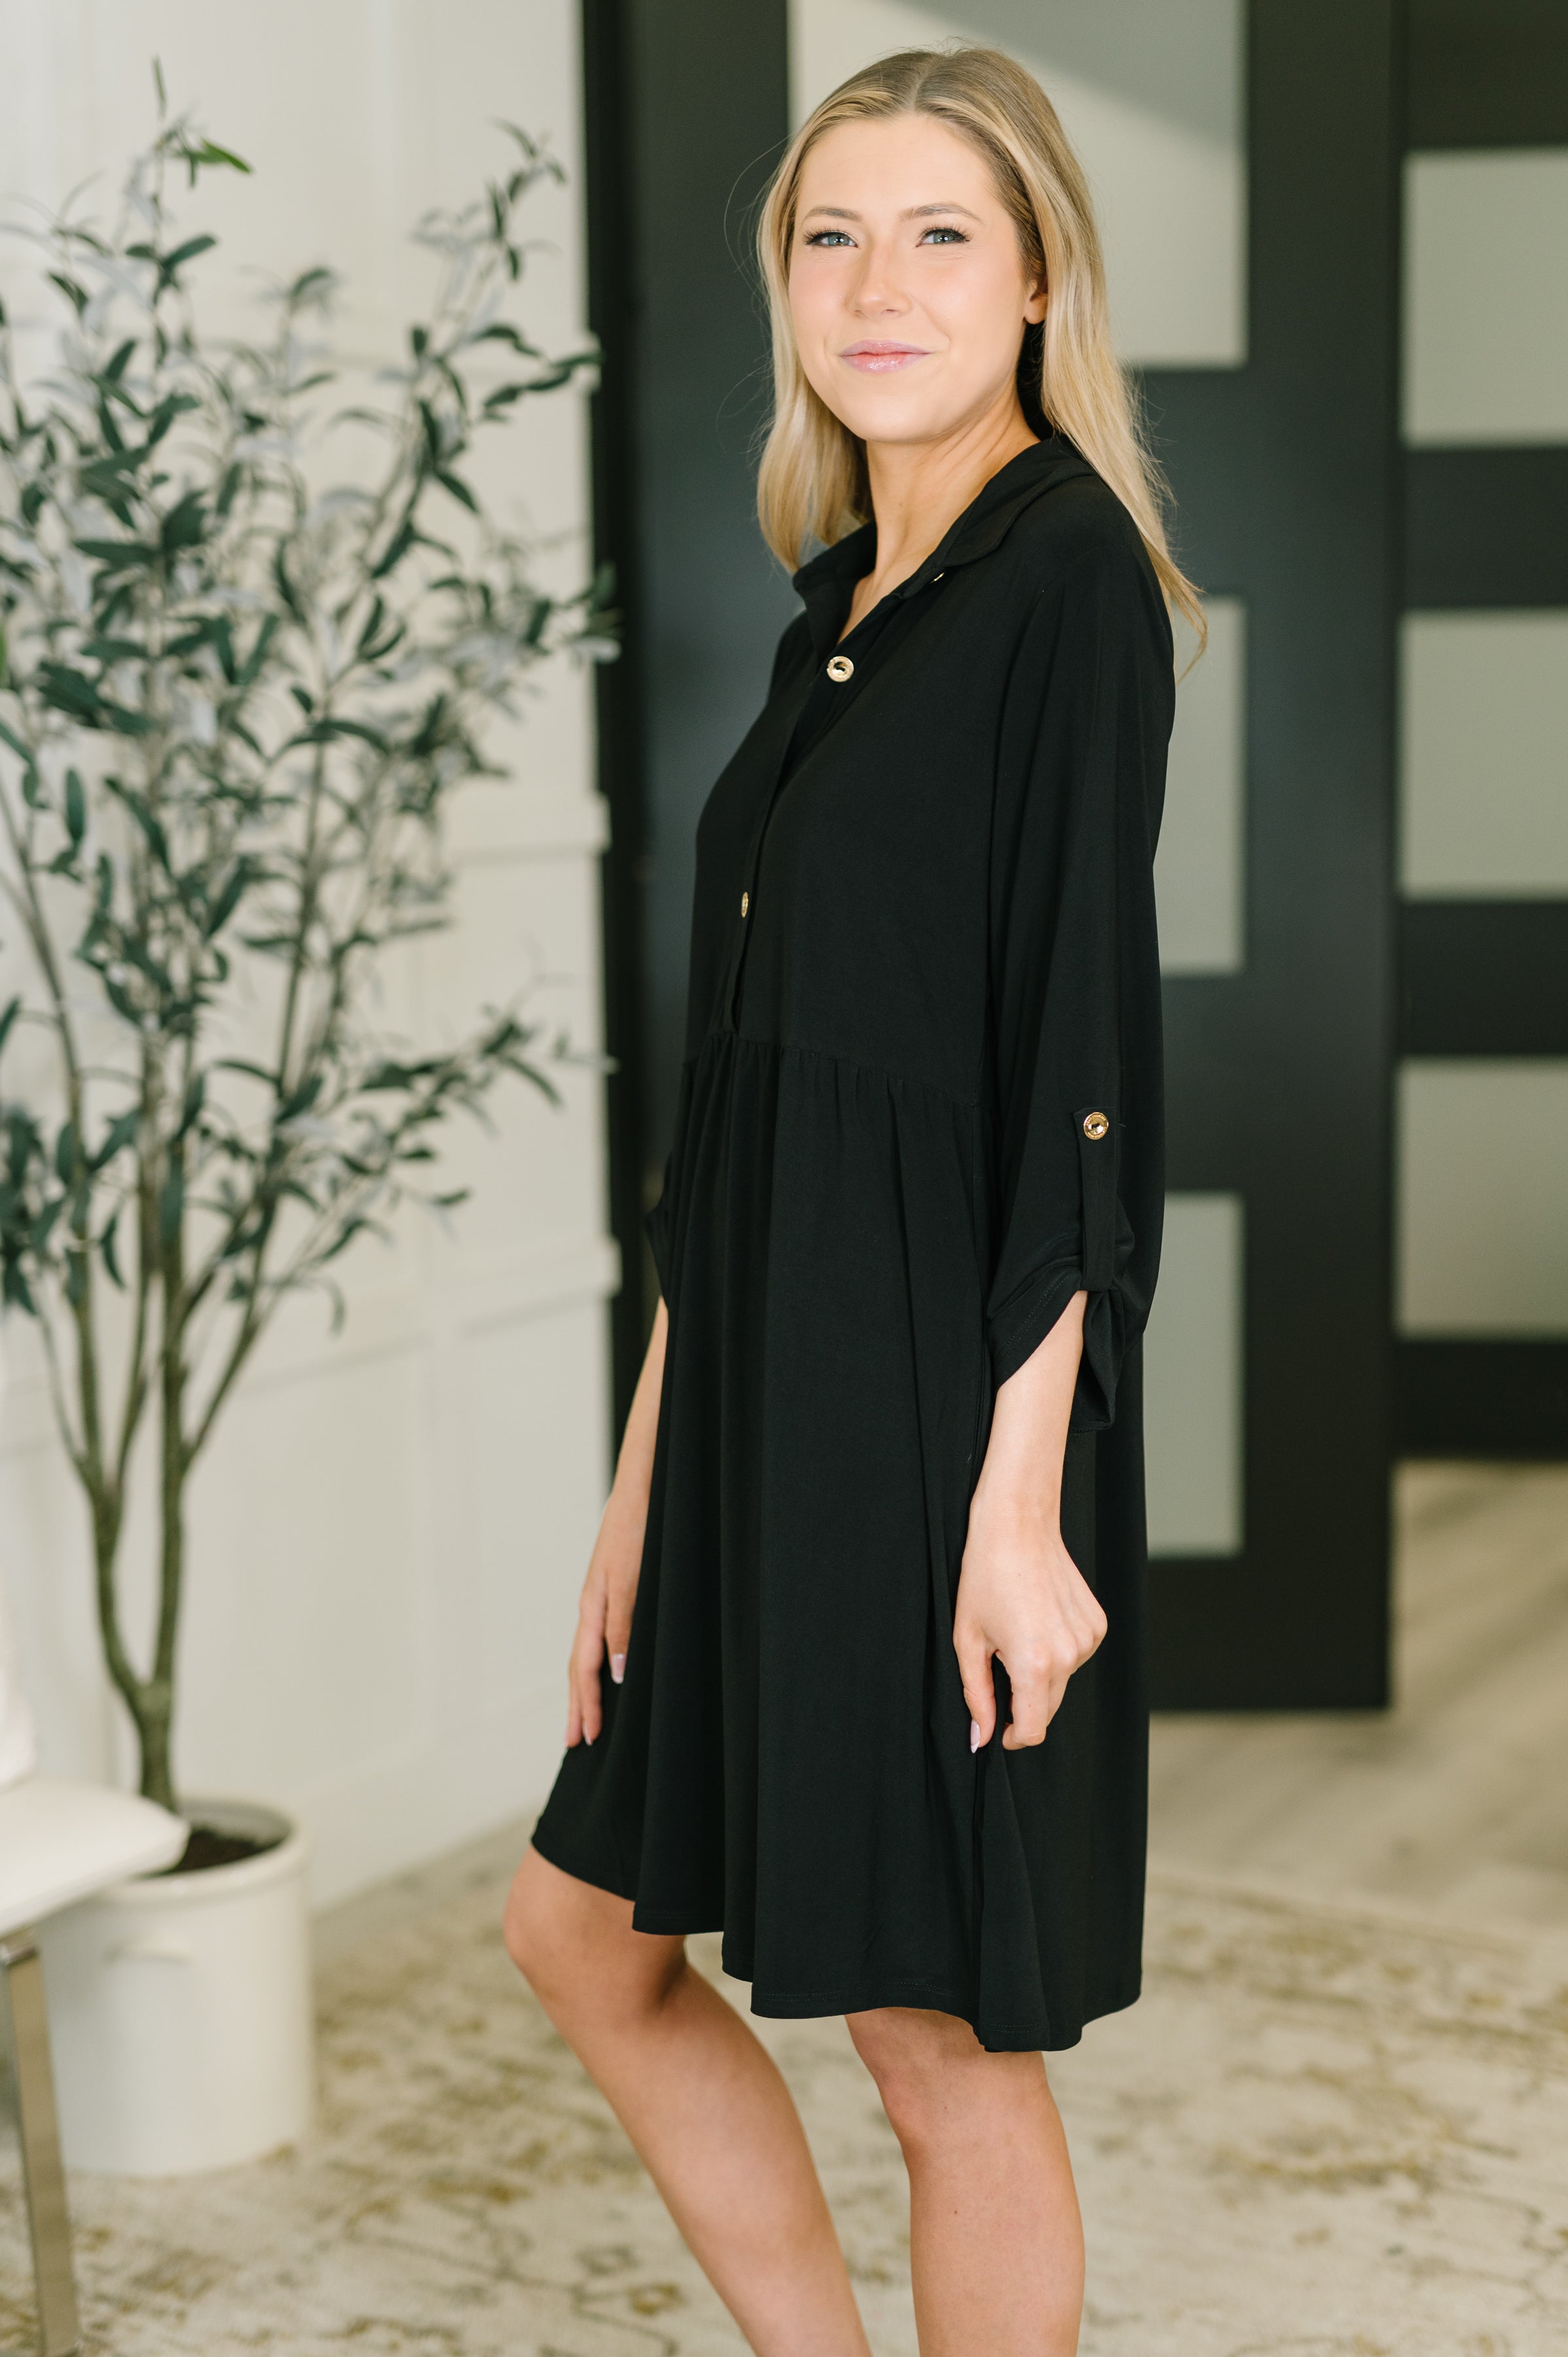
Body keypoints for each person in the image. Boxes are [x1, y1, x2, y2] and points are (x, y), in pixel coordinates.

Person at [505, 42, 1195, 2357]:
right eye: (831, 236)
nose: (875, 285)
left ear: (1035, 282)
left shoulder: (1064, 577)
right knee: (582, 1935)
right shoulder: (840, 606)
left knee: (934, 2042)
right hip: (753, 1400)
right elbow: (738, 1111)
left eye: (937, 237)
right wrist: (642, 1486)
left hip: (933, 1404)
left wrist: (1017, 1512)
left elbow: (1075, 1076)